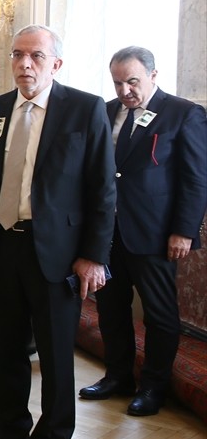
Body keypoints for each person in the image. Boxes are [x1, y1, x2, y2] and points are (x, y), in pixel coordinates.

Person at [0, 25, 115, 439]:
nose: (24, 64)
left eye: (35, 56)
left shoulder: (85, 109)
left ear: (56, 63)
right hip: (2, 246)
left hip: (57, 255)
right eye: (17, 55)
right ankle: (12, 437)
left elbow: (102, 190)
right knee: (7, 350)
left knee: (54, 356)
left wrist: (93, 256)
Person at [79, 46, 207, 416]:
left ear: (153, 74)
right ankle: (118, 376)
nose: (124, 91)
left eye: (132, 81)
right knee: (111, 307)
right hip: (108, 233)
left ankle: (154, 386)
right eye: (118, 82)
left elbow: (196, 179)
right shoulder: (105, 111)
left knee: (159, 314)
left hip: (155, 233)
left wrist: (183, 230)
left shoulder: (184, 114)